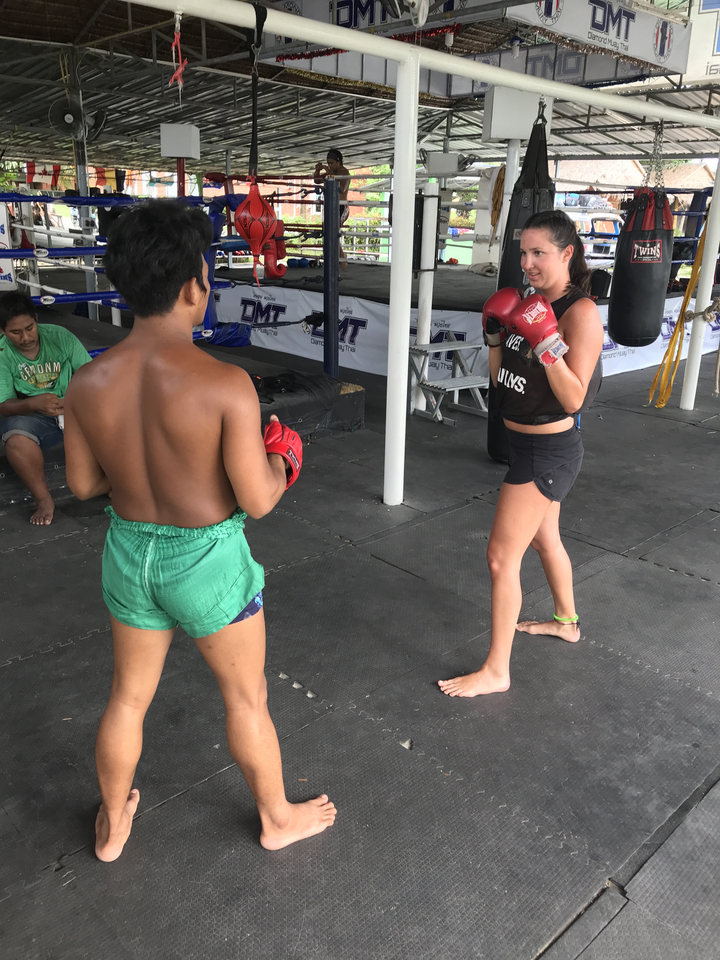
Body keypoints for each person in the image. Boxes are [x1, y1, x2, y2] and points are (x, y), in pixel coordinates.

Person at [63, 200, 336, 861]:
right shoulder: (225, 384)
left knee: (128, 697)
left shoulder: (87, 382)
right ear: (196, 284)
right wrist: (284, 454)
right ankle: (276, 818)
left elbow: (81, 486)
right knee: (246, 696)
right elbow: (259, 500)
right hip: (207, 560)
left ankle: (112, 825)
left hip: (129, 551)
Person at [439, 209, 603, 698]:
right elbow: (499, 379)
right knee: (545, 538)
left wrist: (547, 341)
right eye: (523, 253)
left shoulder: (581, 313)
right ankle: (567, 622)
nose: (527, 263)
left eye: (539, 253)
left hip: (548, 451)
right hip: (522, 442)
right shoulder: (526, 302)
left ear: (567, 253)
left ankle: (497, 670)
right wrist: (495, 333)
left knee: (499, 557)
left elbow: (574, 398)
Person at [0, 291, 92, 524]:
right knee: (16, 439)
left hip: (74, 407)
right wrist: (32, 403)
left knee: (119, 416)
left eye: (29, 328)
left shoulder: (60, 337)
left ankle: (113, 483)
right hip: (35, 417)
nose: (25, 337)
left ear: (36, 320)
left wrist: (72, 401)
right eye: (15, 332)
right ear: (2, 331)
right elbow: (4, 405)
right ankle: (43, 499)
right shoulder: (2, 354)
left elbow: (92, 377)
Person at [314, 148, 351, 270]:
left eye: (332, 163)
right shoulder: (331, 172)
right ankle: (337, 261)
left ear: (338, 162)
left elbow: (341, 188)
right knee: (327, 232)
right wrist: (317, 171)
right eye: (328, 163)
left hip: (340, 207)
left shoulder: (344, 172)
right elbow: (317, 180)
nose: (330, 165)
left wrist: (330, 173)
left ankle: (343, 262)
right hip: (331, 206)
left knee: (333, 233)